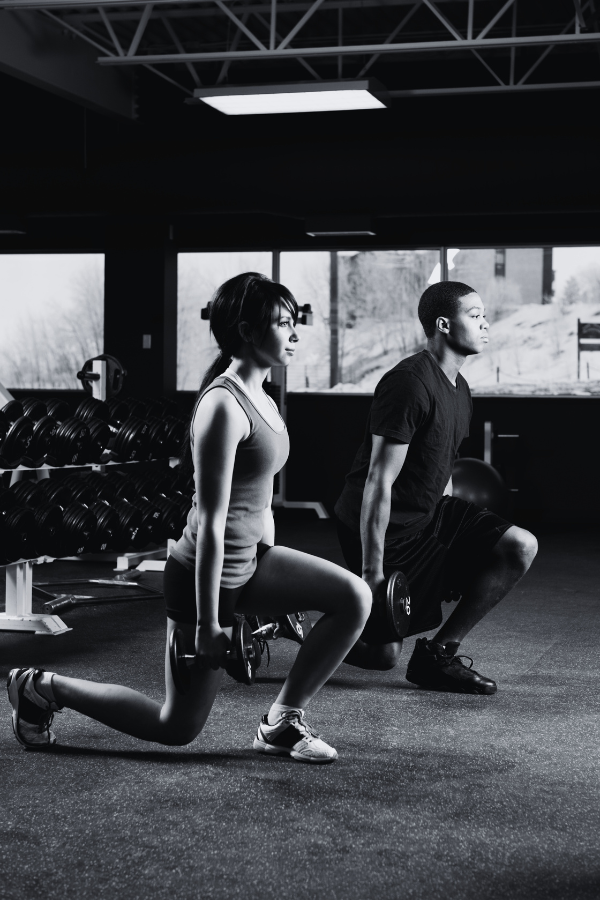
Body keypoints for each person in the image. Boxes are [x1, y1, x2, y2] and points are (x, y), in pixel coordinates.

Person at [8, 273, 371, 763]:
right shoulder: (223, 405)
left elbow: (257, 501)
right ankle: (41, 687)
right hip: (206, 575)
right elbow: (214, 521)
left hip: (250, 561)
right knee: (176, 726)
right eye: (282, 324)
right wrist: (208, 623)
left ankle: (281, 722)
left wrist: (273, 581)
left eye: (293, 323)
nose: (294, 334)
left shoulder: (264, 395)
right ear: (246, 330)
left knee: (354, 597)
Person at [334, 281, 538, 693]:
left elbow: (441, 465)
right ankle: (295, 627)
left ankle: (438, 655)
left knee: (520, 546)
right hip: (384, 524)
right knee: (382, 657)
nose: (485, 324)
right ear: (444, 324)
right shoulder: (409, 383)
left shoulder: (460, 389)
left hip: (429, 515)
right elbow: (378, 479)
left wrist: (447, 553)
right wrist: (373, 572)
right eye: (475, 315)